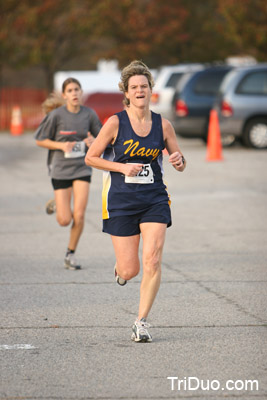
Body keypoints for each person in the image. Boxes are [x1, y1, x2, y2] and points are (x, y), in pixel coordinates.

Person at [85, 60, 186, 342]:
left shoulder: (163, 125)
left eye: (144, 86)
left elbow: (179, 161)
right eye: (134, 87)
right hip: (121, 201)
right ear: (126, 93)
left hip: (154, 198)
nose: (140, 90)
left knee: (152, 259)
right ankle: (121, 269)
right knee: (131, 269)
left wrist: (179, 160)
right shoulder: (115, 122)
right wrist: (121, 167)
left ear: (151, 90)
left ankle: (140, 322)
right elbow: (91, 157)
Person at [35, 78, 102, 270]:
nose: (74, 93)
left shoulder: (89, 115)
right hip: (60, 169)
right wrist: (61, 145)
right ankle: (57, 203)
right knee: (65, 220)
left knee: (79, 215)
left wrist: (92, 142)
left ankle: (70, 254)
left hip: (82, 168)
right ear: (64, 95)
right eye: (70, 90)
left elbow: (100, 137)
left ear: (81, 93)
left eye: (77, 90)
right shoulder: (56, 116)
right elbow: (40, 140)